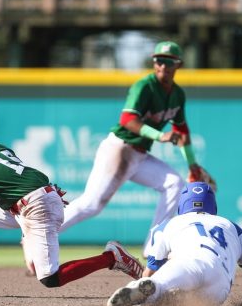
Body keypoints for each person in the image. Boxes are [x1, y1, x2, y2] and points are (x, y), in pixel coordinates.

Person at [0, 106, 143, 297]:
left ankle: (111, 257)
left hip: (35, 206)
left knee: (50, 277)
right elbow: (20, 175)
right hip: (29, 201)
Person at [60, 41, 206, 254]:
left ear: (178, 65)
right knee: (92, 204)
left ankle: (154, 249)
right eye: (159, 60)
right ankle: (39, 233)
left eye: (169, 61)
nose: (163, 66)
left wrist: (192, 164)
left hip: (139, 155)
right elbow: (128, 119)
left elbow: (182, 131)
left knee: (174, 183)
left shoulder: (177, 94)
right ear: (154, 62)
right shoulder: (144, 86)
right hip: (119, 149)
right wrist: (159, 135)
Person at [107, 182, 242, 306]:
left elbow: (150, 271)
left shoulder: (169, 224)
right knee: (188, 302)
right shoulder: (231, 226)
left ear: (182, 204)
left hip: (188, 263)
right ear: (213, 205)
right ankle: (174, 298)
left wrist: (146, 280)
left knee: (156, 286)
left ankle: (149, 293)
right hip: (220, 283)